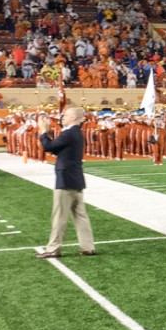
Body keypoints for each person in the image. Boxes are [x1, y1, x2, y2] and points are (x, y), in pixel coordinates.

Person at [36, 107, 96, 259]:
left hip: (65, 179)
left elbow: (49, 147)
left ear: (75, 118)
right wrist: (48, 135)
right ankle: (88, 246)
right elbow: (59, 150)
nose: (62, 117)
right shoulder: (75, 133)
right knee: (80, 215)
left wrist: (43, 132)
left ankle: (53, 248)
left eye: (66, 115)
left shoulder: (69, 133)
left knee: (59, 216)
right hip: (76, 178)